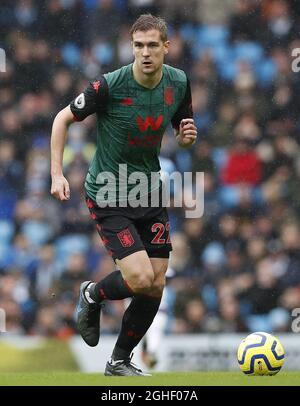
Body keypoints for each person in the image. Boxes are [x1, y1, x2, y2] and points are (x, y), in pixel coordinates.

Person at [50, 14, 197, 376]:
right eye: (138, 45)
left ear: (166, 46)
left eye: (152, 45)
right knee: (141, 278)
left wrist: (185, 135)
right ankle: (92, 295)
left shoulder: (179, 82)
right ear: (131, 47)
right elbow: (61, 119)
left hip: (148, 190)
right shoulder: (110, 85)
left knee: (157, 283)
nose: (145, 53)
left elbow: (182, 124)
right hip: (109, 192)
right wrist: (56, 174)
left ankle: (118, 361)